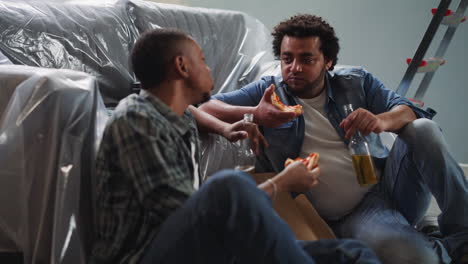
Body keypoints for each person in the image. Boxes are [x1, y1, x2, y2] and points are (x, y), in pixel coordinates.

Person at [90, 28, 381, 264]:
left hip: (193, 247)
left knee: (351, 254)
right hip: (143, 256)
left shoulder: (171, 116)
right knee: (230, 185)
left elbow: (194, 113)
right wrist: (281, 183)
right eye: (202, 60)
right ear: (181, 66)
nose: (209, 66)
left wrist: (232, 126)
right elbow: (186, 215)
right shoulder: (136, 120)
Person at [200, 14, 468, 263]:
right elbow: (205, 108)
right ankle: (431, 240)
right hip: (342, 215)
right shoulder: (269, 92)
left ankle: (462, 235)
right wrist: (254, 114)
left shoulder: (355, 81)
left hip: (384, 189)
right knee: (417, 257)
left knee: (422, 129)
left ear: (327, 61)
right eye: (287, 58)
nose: (294, 68)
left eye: (306, 59)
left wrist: (380, 120)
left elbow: (410, 110)